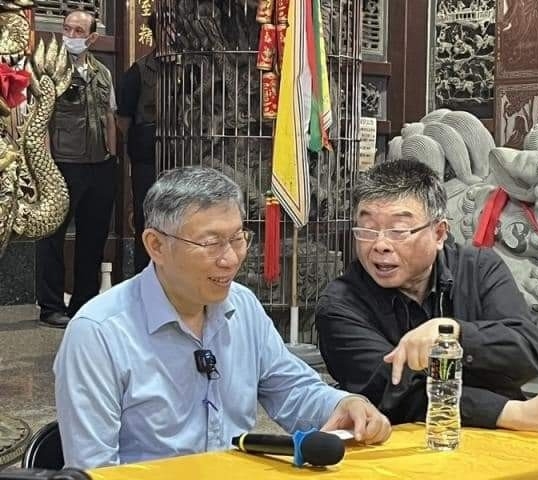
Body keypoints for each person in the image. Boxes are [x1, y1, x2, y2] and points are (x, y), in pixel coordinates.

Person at [53, 166, 392, 469]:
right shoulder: (99, 333)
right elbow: (93, 469)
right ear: (156, 245)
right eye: (211, 243)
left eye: (237, 238)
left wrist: (343, 404)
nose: (230, 259)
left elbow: (292, 388)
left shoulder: (242, 306)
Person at [316, 159, 538, 434]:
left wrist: (453, 333)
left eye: (398, 231)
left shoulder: (479, 268)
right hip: (405, 444)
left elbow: (527, 352)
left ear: (439, 233)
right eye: (367, 230)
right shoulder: (340, 305)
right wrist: (512, 413)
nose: (380, 245)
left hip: (505, 438)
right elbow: (396, 393)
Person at [36, 10, 118, 328]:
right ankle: (51, 306)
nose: (71, 35)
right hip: (62, 165)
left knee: (93, 237)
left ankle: (84, 303)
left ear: (92, 37)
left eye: (78, 31)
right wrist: (46, 165)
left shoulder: (102, 73)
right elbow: (41, 120)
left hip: (99, 166)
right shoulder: (50, 70)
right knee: (52, 237)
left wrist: (112, 155)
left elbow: (110, 116)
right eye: (67, 29)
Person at [116, 13, 157, 273]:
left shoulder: (191, 68)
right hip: (147, 160)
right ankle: (145, 275)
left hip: (185, 157)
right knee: (147, 216)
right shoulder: (138, 71)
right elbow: (123, 120)